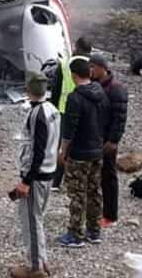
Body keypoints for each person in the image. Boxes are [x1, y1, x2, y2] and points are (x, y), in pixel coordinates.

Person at [9, 73, 59, 278]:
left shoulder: (37, 114)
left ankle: (35, 267)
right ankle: (41, 260)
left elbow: (37, 150)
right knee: (37, 218)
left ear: (28, 90)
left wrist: (26, 181)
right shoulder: (53, 110)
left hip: (36, 176)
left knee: (31, 221)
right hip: (49, 171)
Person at [57, 59, 108, 248]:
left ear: (74, 75)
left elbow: (69, 129)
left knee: (77, 194)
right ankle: (94, 231)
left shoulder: (75, 98)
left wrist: (63, 150)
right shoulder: (101, 93)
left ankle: (75, 234)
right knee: (94, 191)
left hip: (79, 152)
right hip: (97, 150)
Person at [48, 37, 92, 192]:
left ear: (76, 47)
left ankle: (56, 181)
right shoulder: (93, 65)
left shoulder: (65, 64)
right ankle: (81, 179)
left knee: (62, 146)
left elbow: (56, 89)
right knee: (82, 144)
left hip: (64, 109)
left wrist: (52, 108)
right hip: (87, 110)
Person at [88, 55, 127, 227]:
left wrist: (113, 140)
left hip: (107, 140)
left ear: (102, 68)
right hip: (94, 137)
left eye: (93, 67)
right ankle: (94, 211)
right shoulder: (94, 85)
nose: (90, 71)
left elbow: (120, 117)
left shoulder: (116, 88)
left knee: (108, 176)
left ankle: (110, 215)